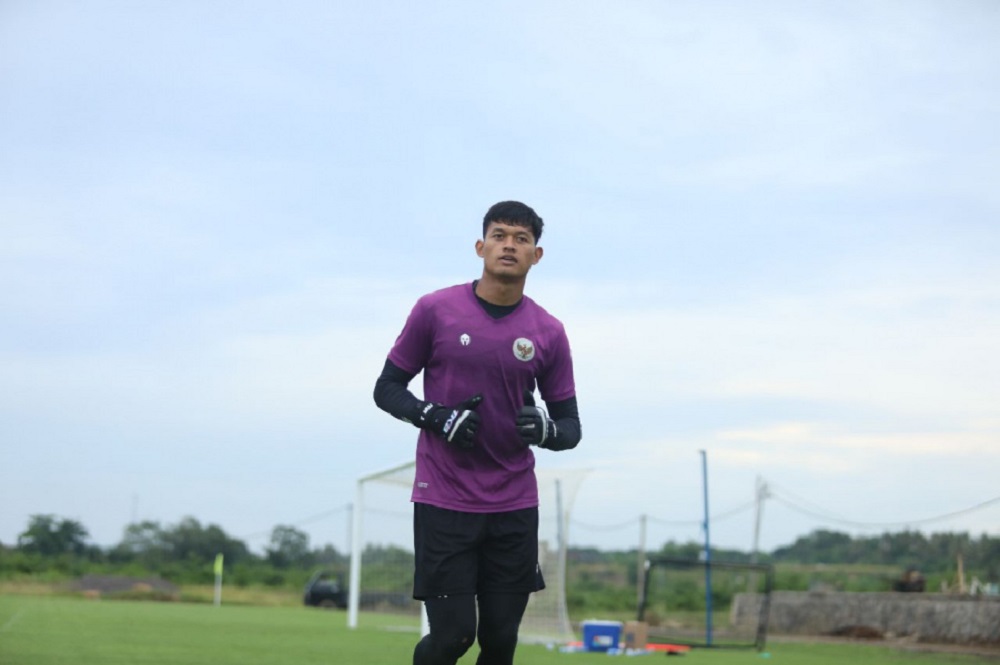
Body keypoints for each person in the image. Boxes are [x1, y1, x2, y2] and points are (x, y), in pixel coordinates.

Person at [373, 200, 582, 665]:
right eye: (501, 234)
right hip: (444, 499)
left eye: (522, 239)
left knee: (501, 640)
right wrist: (436, 416)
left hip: (514, 506)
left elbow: (570, 427)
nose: (510, 245)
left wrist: (547, 430)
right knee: (453, 638)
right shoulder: (435, 310)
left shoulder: (548, 331)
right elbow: (386, 389)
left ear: (536, 255)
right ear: (480, 245)